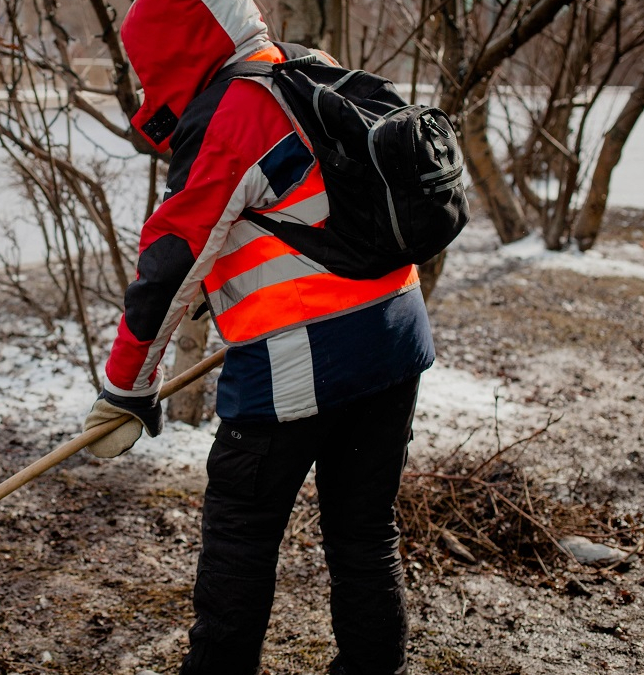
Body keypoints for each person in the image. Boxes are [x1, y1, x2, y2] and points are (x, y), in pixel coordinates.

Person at [81, 0, 435, 674]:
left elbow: (171, 258)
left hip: (301, 357)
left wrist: (127, 387)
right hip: (396, 335)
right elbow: (297, 210)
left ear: (174, 46)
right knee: (364, 530)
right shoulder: (309, 67)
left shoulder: (232, 111)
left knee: (240, 535)